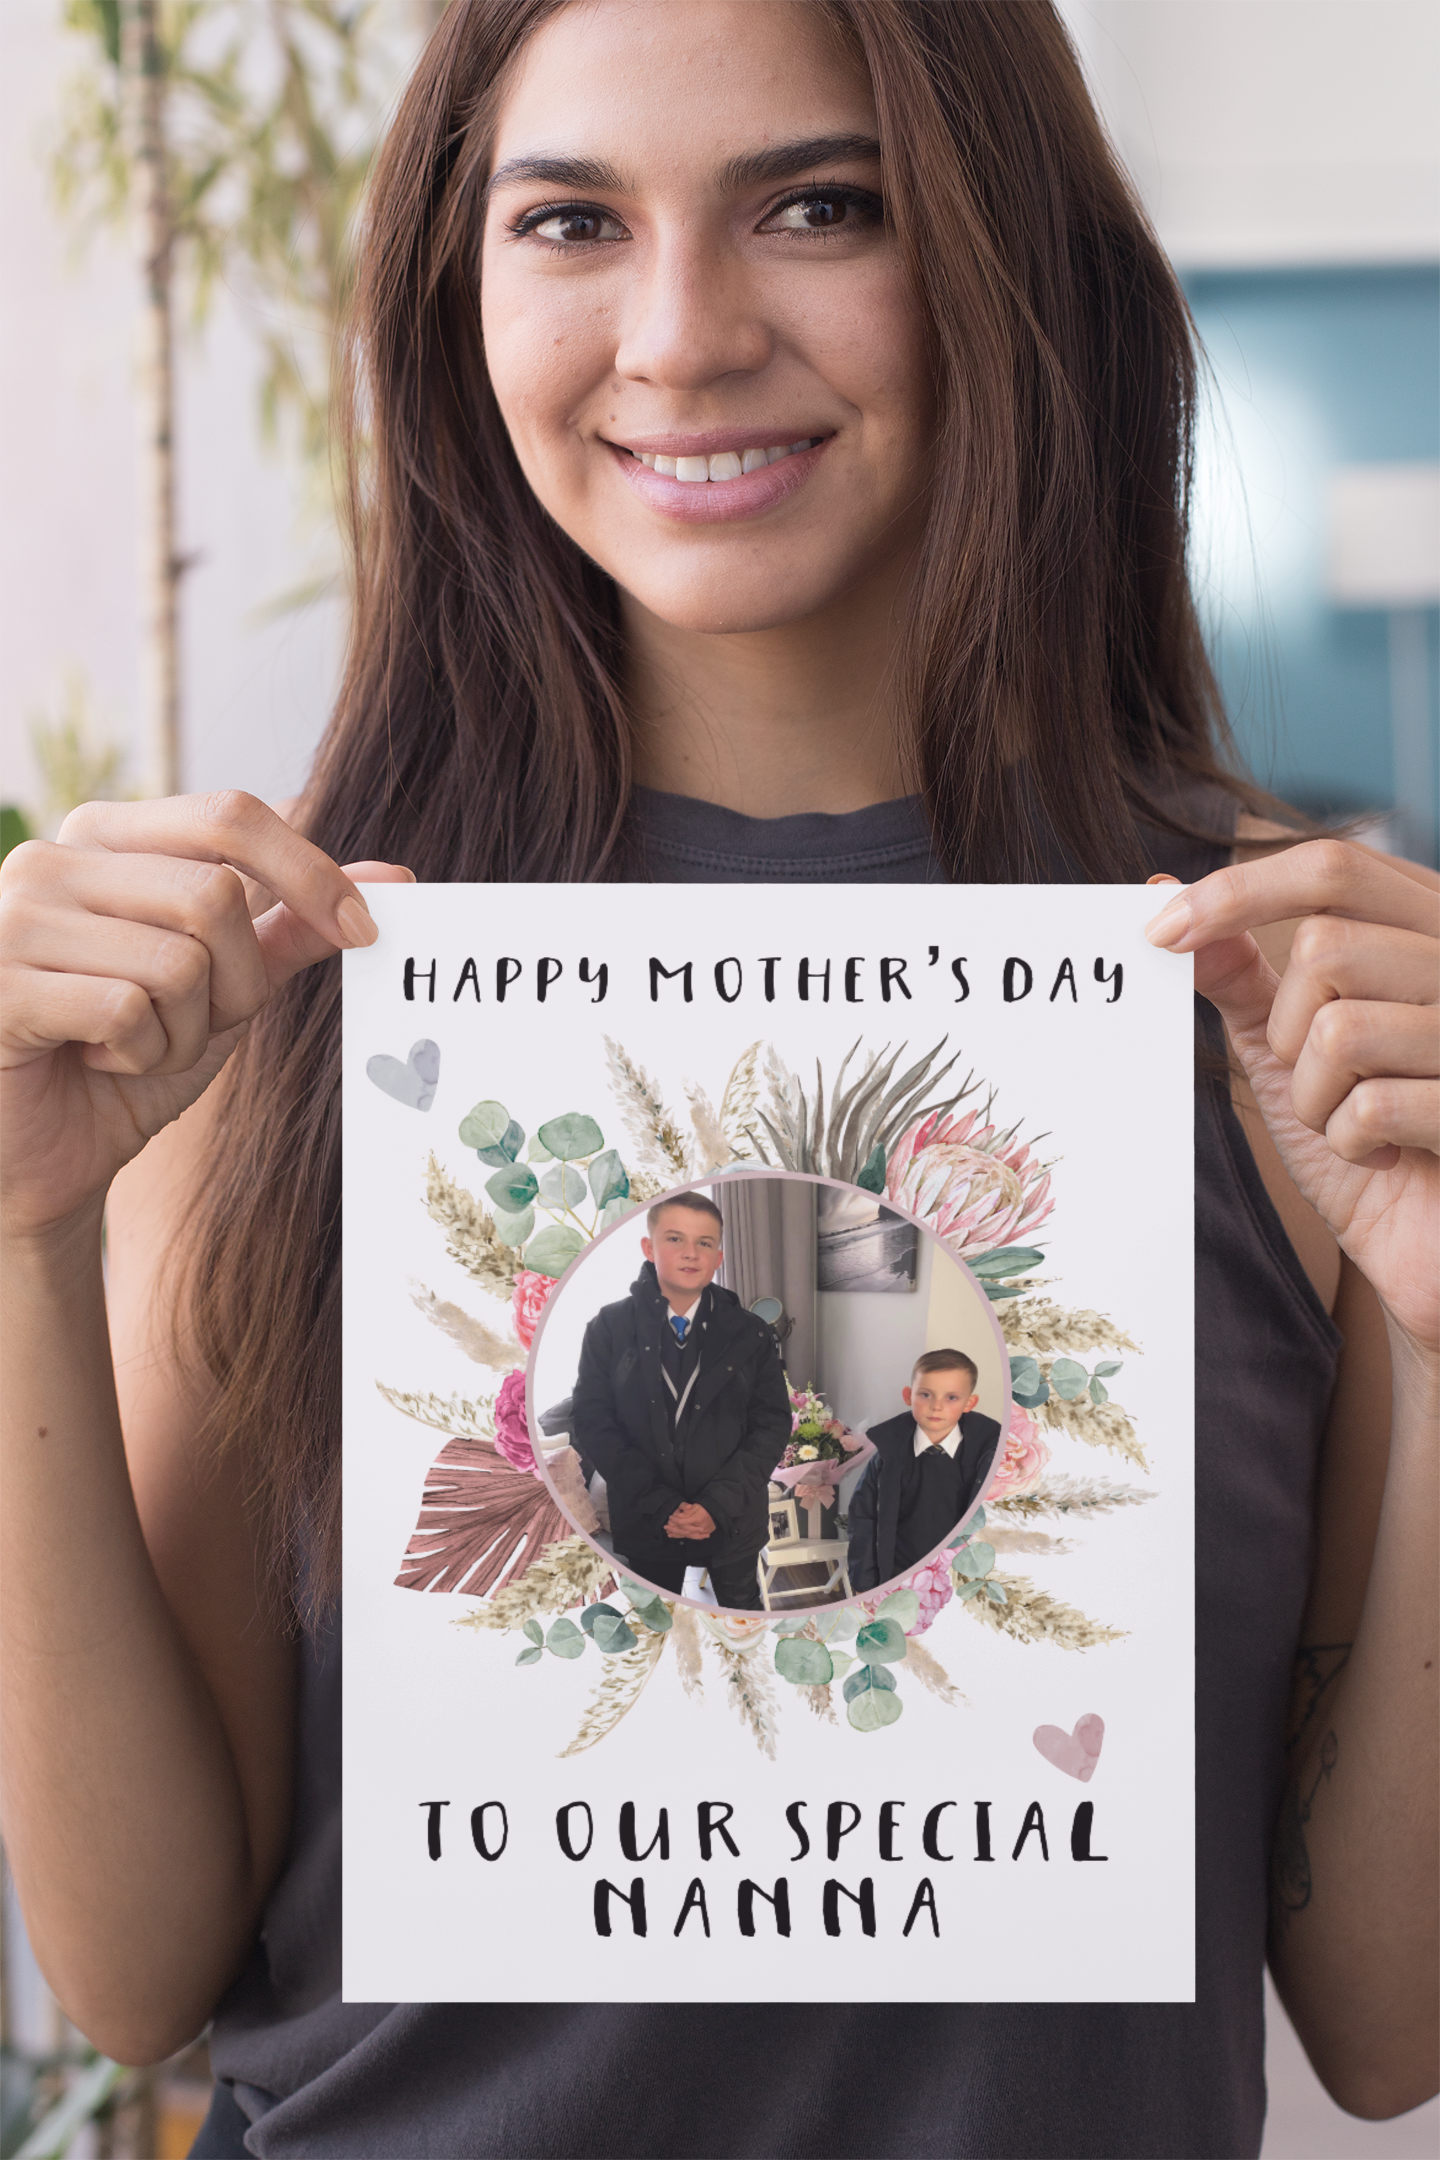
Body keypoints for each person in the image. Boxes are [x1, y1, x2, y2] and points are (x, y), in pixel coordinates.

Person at [0, 0, 1436, 2153]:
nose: (677, 337)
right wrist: (20, 1228)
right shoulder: (294, 993)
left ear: (1003, 251)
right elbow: (134, 1972)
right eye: (571, 220)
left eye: (821, 205)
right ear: (455, 297)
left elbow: (1384, 2018)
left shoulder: (1267, 1004)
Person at [570, 1193, 791, 1605]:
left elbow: (772, 1425)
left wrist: (716, 1505)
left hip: (734, 1521)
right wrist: (663, 1506)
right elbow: (593, 1423)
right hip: (647, 1522)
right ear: (648, 1248)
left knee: (742, 1622)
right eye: (675, 1239)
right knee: (655, 1627)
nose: (691, 1253)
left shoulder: (752, 1333)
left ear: (719, 1255)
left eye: (704, 1243)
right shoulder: (608, 1328)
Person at [846, 1350, 1000, 1592]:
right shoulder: (887, 1456)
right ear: (909, 1395)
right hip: (897, 1576)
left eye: (951, 1398)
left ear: (969, 1403)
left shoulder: (988, 1458)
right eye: (926, 1394)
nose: (936, 1406)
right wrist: (864, 1584)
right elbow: (863, 1518)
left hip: (957, 1579)